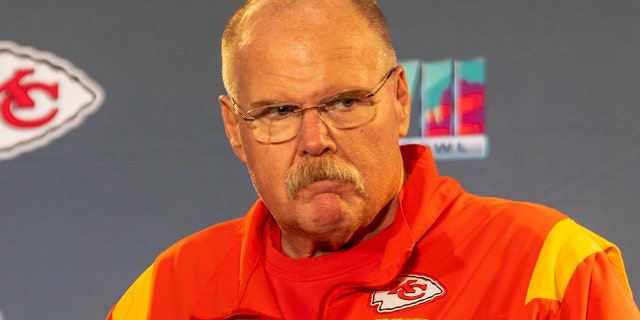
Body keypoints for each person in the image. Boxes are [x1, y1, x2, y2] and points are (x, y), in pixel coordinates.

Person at [107, 0, 640, 319]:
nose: (315, 140)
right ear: (235, 129)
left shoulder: (546, 266)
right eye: (279, 111)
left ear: (401, 100)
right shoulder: (166, 295)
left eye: (345, 102)